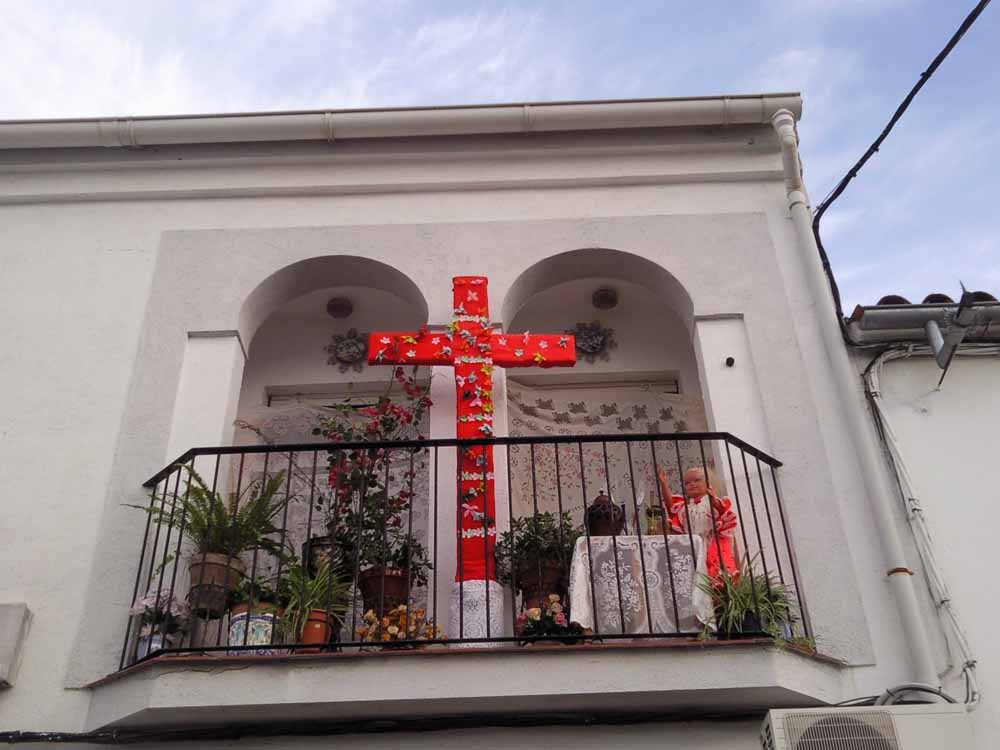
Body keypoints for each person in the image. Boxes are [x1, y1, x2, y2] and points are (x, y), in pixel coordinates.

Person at [657, 466, 739, 579]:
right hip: (691, 546)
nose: (692, 484)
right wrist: (663, 483)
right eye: (687, 483)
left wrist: (712, 497)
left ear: (708, 483)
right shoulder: (684, 507)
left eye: (697, 480)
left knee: (712, 571)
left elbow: (722, 511)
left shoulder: (711, 503)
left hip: (709, 543)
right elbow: (670, 506)